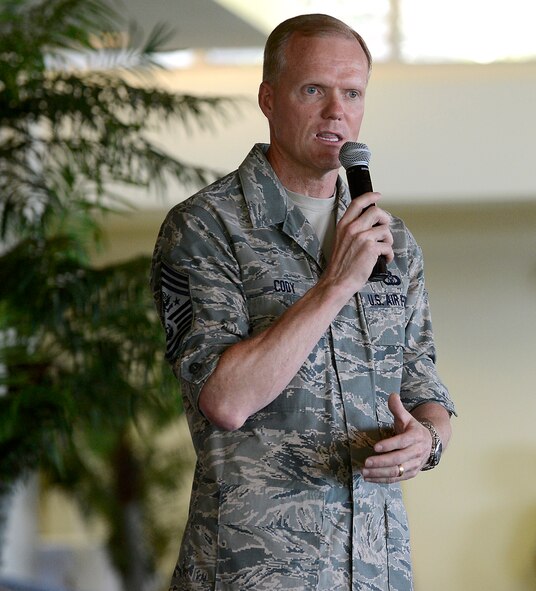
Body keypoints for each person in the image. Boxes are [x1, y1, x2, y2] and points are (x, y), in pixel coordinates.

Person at [149, 13, 456, 591]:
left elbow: (423, 389)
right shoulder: (206, 227)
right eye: (313, 90)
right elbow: (226, 399)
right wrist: (334, 286)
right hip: (255, 570)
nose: (336, 111)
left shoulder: (393, 243)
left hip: (376, 570)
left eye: (352, 93)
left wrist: (427, 442)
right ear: (268, 98)